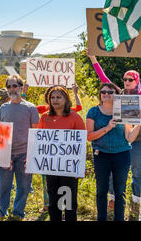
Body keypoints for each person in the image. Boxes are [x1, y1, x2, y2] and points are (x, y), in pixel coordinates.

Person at [87, 50, 141, 214]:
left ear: (136, 81)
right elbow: (104, 79)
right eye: (124, 79)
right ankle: (112, 201)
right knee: (114, 173)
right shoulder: (120, 95)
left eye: (130, 79)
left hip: (137, 138)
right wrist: (93, 58)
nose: (126, 81)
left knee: (137, 171)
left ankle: (136, 203)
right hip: (121, 139)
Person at [0, 74, 39, 221]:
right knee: (3, 188)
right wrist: (3, 155)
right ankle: (0, 214)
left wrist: (30, 155)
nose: (12, 89)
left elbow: (35, 134)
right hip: (7, 156)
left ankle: (18, 213)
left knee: (24, 187)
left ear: (21, 87)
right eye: (9, 86)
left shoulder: (31, 108)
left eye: (14, 86)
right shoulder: (2, 109)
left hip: (24, 155)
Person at [38, 86, 86, 221]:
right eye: (52, 97)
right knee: (54, 202)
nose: (55, 100)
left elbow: (81, 145)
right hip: (51, 167)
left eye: (59, 97)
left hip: (70, 168)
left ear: (66, 99)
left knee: (69, 202)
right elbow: (40, 141)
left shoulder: (75, 117)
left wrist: (79, 168)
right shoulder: (44, 117)